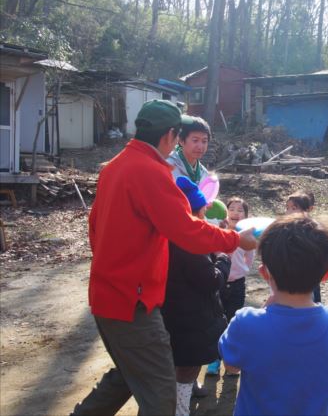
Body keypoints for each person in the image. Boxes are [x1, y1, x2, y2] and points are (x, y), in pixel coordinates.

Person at [71, 100, 256, 416]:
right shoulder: (151, 172)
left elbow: (95, 227)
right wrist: (235, 240)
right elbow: (187, 230)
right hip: (132, 303)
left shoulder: (115, 166)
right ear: (172, 135)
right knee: (161, 398)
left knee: (126, 378)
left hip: (110, 295)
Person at [219, 214, 328, 416]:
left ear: (264, 273)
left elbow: (231, 366)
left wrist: (264, 309)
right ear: (326, 275)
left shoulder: (247, 323)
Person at [161, 176, 231, 416]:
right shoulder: (187, 242)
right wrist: (222, 257)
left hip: (171, 310)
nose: (204, 216)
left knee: (177, 364)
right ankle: (180, 410)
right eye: (201, 212)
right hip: (189, 316)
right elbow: (211, 280)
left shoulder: (166, 233)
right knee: (187, 367)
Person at [205, 197, 255, 377]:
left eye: (240, 210)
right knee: (217, 321)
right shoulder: (218, 232)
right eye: (232, 208)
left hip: (237, 284)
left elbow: (250, 257)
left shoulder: (246, 236)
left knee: (233, 321)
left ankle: (230, 361)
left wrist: (243, 270)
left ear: (247, 216)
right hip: (217, 282)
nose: (235, 212)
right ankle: (214, 361)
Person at [285, 190, 322, 303]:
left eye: (294, 208)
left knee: (311, 303)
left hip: (309, 276)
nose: (288, 212)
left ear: (308, 210)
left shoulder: (314, 229)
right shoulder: (285, 229)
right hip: (288, 275)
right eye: (287, 208)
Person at [167, 115, 211, 184]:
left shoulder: (204, 173)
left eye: (204, 141)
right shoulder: (168, 166)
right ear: (181, 140)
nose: (200, 146)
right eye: (195, 140)